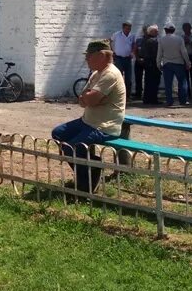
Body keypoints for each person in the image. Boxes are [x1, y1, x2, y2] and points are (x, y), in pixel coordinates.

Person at [51, 40, 126, 194]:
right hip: (88, 121)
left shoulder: (110, 74)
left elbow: (89, 99)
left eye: (89, 56)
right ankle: (91, 168)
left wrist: (91, 99)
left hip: (104, 126)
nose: (86, 59)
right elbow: (82, 100)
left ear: (101, 56)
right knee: (59, 133)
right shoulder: (96, 74)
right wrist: (92, 99)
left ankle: (87, 186)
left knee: (75, 146)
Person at [157, 23, 191, 106]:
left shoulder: (162, 39)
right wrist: (188, 62)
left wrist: (158, 64)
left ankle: (169, 101)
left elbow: (159, 53)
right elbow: (184, 52)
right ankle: (183, 100)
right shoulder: (179, 39)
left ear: (165, 30)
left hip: (167, 63)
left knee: (168, 83)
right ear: (174, 30)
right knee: (182, 82)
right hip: (179, 63)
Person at [110, 22, 136, 97]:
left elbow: (134, 44)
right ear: (123, 28)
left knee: (128, 78)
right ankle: (118, 95)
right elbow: (110, 41)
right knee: (118, 77)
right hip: (119, 58)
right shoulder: (116, 34)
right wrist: (112, 51)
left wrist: (132, 52)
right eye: (127, 28)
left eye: (130, 28)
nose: (128, 30)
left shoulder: (132, 35)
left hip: (128, 59)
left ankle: (128, 95)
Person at [140, 25, 161, 104]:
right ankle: (153, 99)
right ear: (151, 32)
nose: (157, 32)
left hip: (147, 62)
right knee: (154, 81)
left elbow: (141, 52)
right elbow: (157, 52)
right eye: (156, 31)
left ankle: (147, 99)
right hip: (153, 62)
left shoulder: (144, 40)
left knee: (148, 81)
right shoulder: (153, 41)